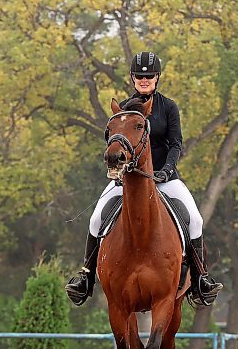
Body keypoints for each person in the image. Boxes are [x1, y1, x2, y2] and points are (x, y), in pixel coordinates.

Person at [65, 51, 223, 306]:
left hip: (165, 178)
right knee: (95, 218)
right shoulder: (124, 110)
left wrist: (167, 170)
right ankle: (85, 277)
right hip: (129, 180)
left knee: (195, 219)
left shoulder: (168, 107)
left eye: (149, 76)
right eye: (140, 76)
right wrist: (119, 166)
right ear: (133, 78)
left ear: (157, 77)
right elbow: (115, 140)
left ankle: (201, 280)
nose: (144, 80)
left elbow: (175, 144)